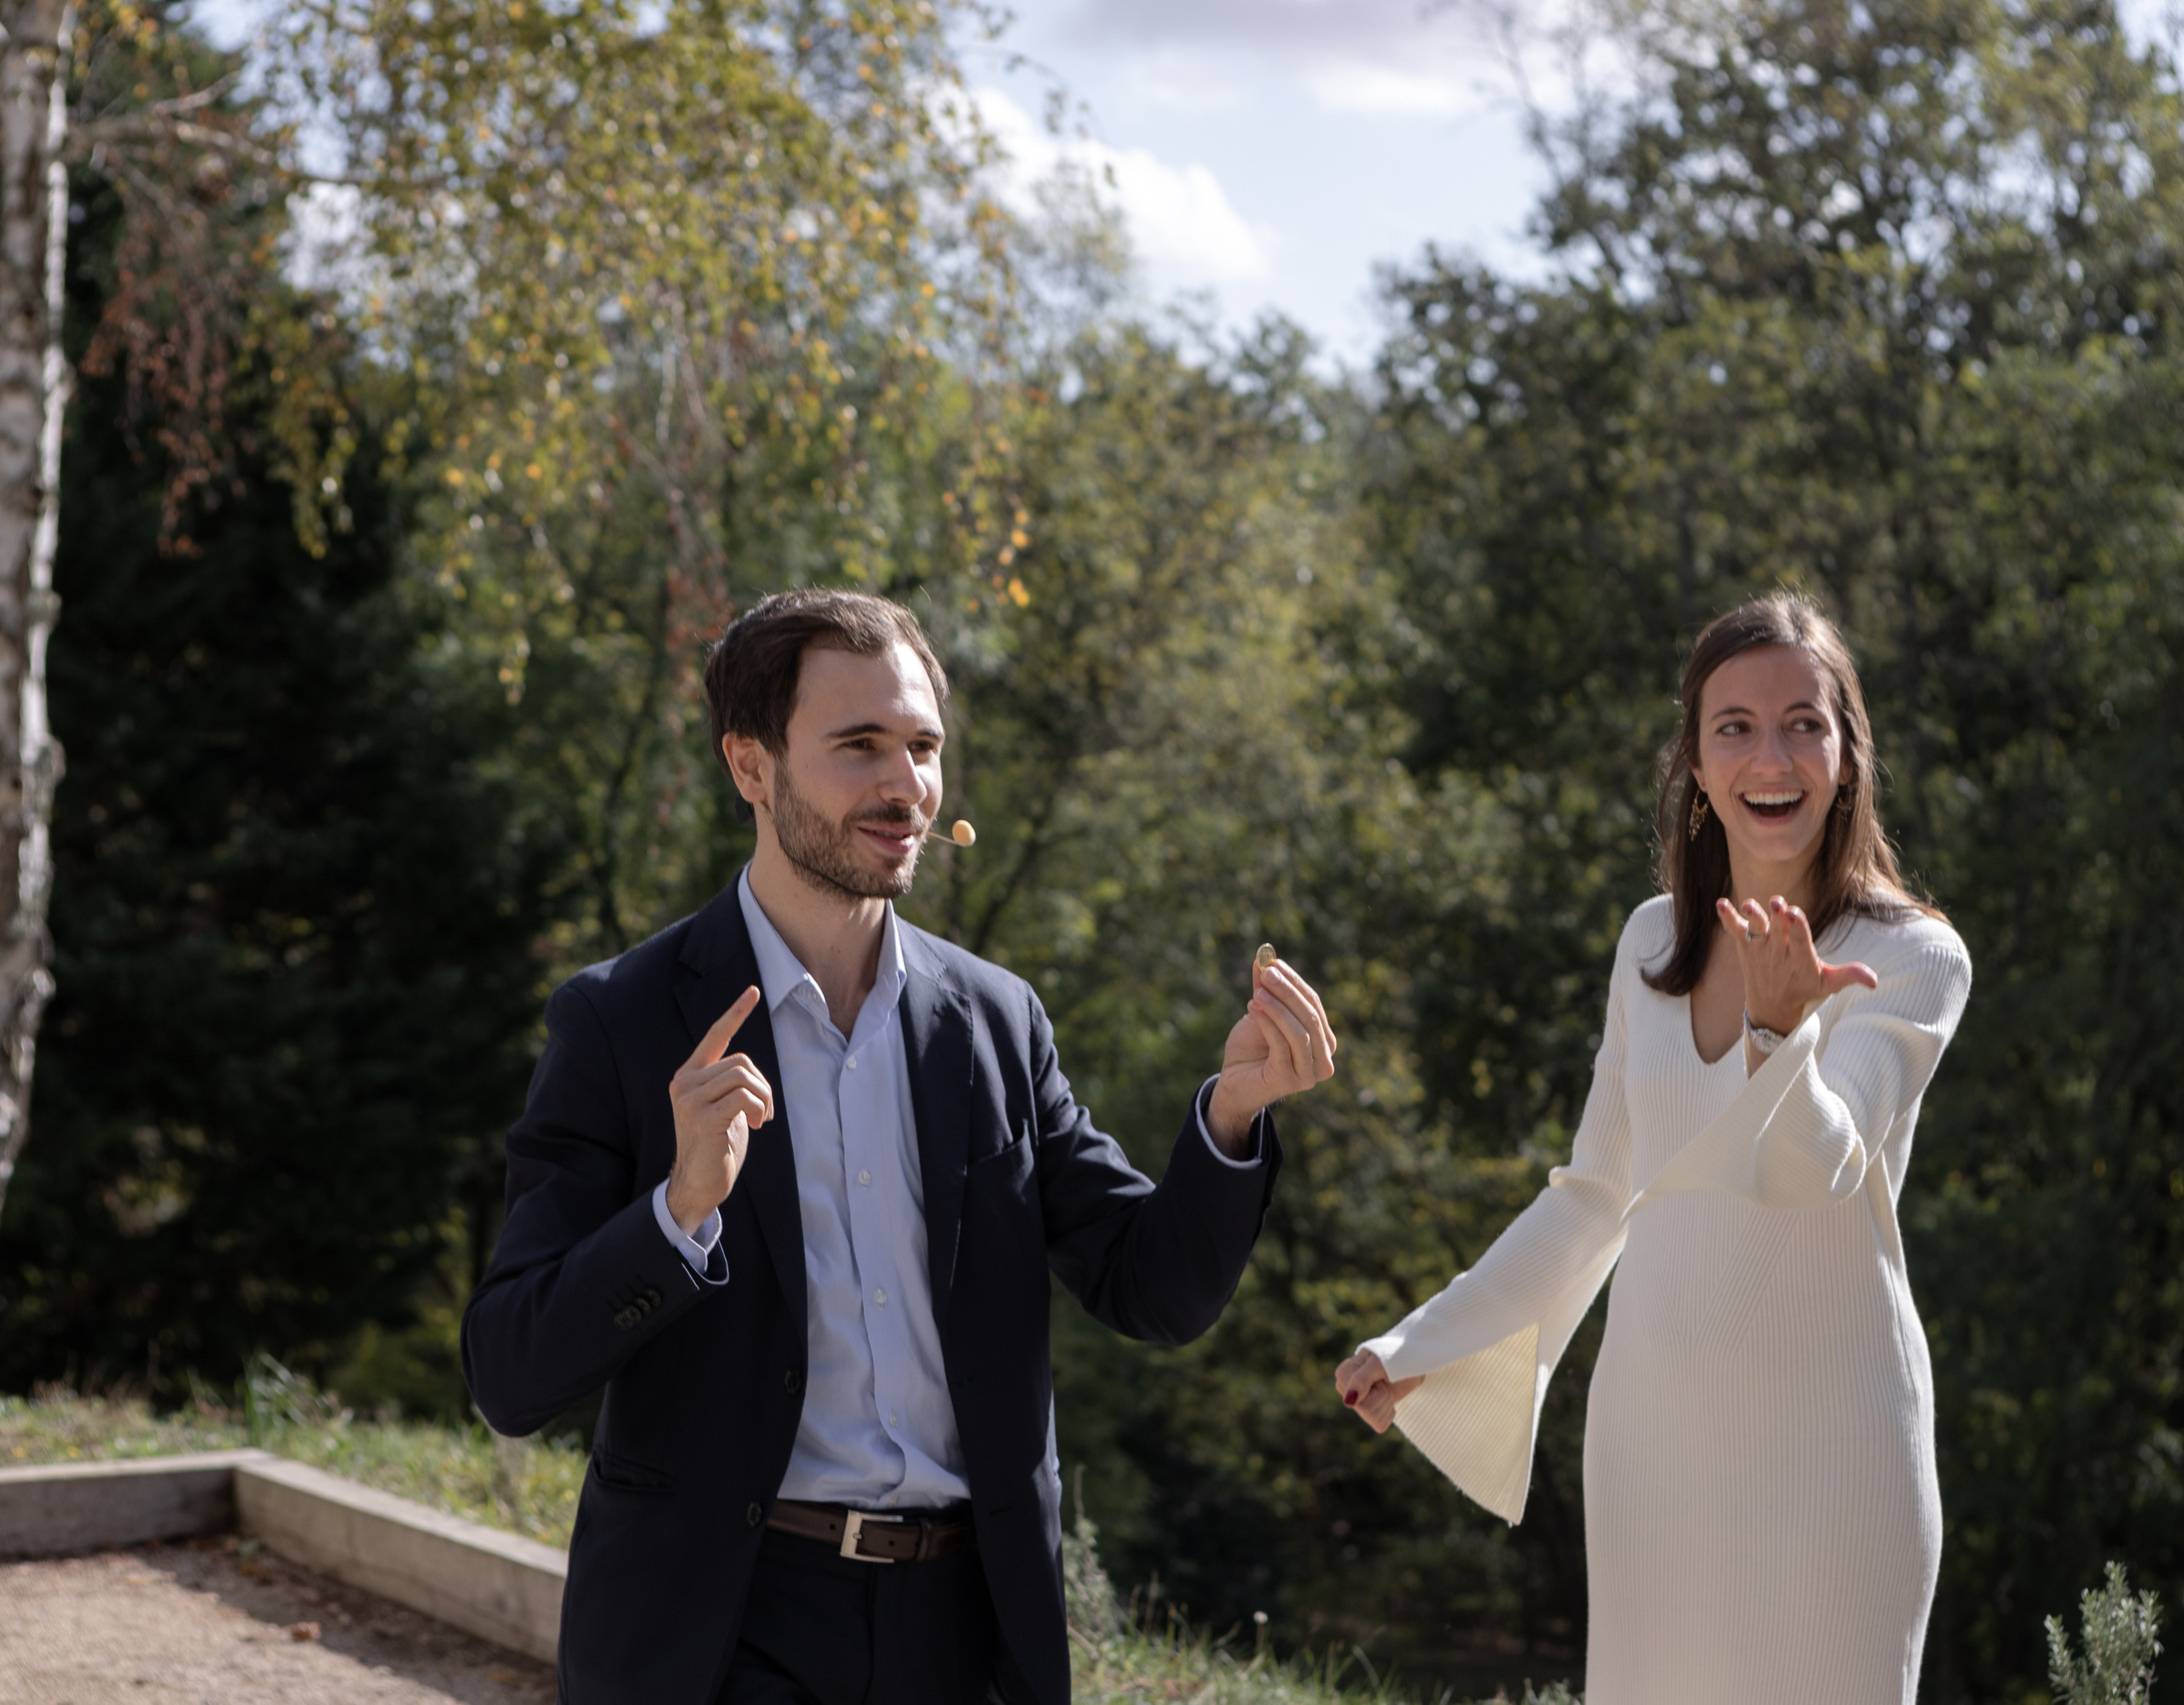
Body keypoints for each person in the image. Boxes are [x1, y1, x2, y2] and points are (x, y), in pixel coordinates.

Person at [462, 587, 1338, 1705]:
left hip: (966, 1633)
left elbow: (1146, 1290)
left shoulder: (994, 1021)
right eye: (859, 745)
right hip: (723, 1629)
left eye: (922, 746)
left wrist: (1230, 1116)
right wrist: (678, 1211)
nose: (906, 785)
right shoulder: (622, 1022)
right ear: (752, 768)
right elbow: (508, 1375)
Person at [1334, 593, 1970, 1705]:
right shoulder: (1647, 943)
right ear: (1692, 758)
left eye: (1802, 723)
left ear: (1846, 749)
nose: (1769, 756)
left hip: (1839, 1462)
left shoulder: (1914, 959)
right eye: (1734, 726)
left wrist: (1779, 1033)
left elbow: (1815, 1170)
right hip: (1654, 1452)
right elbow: (1592, 1199)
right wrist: (1425, 1339)